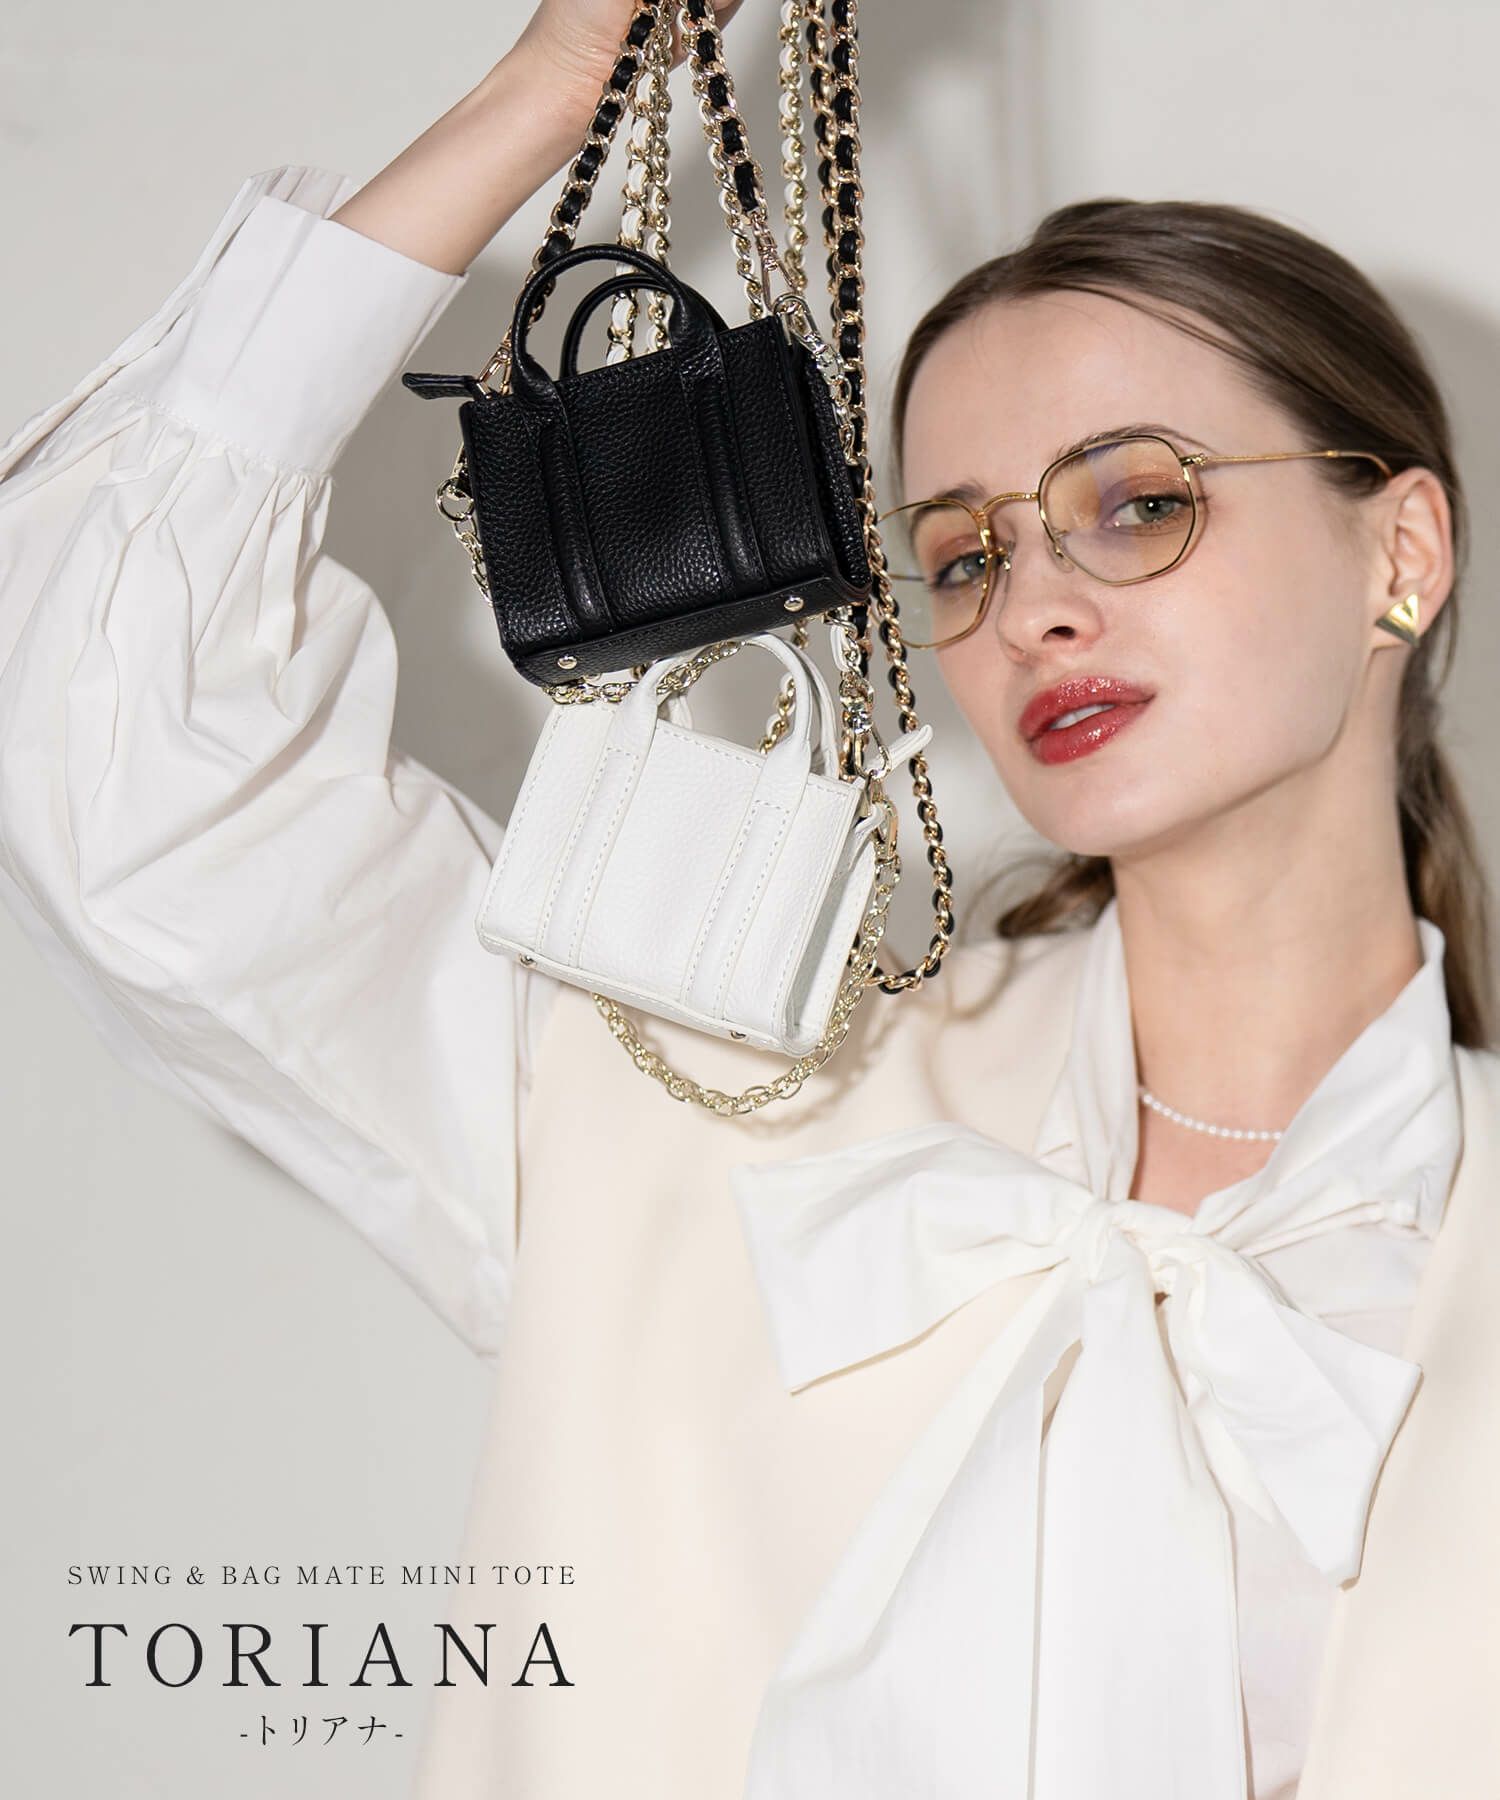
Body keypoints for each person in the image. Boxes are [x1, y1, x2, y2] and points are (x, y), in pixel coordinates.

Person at [2, 2, 1497, 1797]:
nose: (1035, 607)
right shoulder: (710, 1086)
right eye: (964, 553)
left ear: (1401, 551)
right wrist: (556, 85)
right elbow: (124, 768)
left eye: (1136, 504)